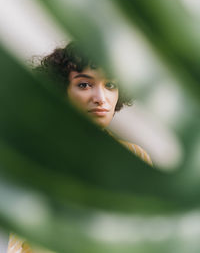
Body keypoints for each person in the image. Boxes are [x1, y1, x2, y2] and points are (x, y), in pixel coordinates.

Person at [7, 41, 152, 253]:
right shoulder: (36, 151)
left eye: (110, 85)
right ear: (61, 88)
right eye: (85, 85)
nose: (100, 99)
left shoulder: (134, 156)